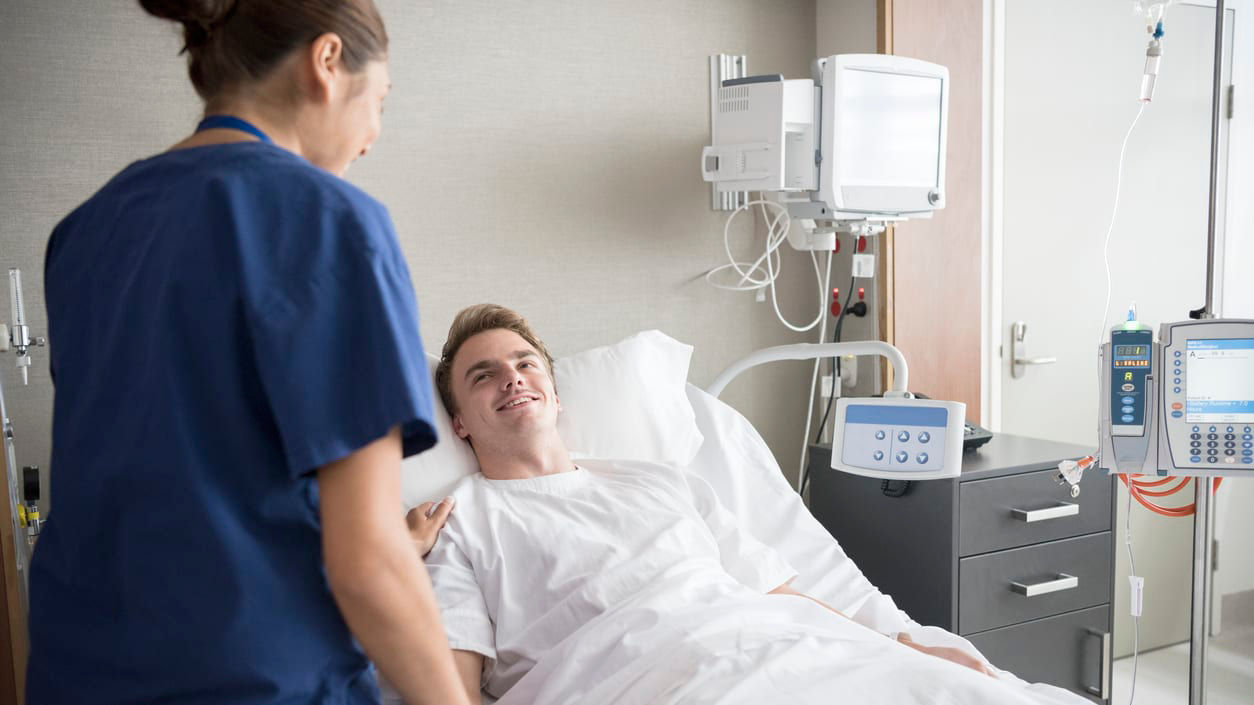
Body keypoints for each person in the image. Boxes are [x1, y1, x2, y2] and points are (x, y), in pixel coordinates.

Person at [27, 2, 468, 703]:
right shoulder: (333, 222)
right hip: (253, 677)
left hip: (75, 671)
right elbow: (369, 561)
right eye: (379, 101)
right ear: (326, 63)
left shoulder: (82, 231)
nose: (372, 136)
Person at [412, 304, 1089, 705]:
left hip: (785, 649)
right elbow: (455, 686)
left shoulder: (659, 479)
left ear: (557, 395)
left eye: (526, 363)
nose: (513, 378)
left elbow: (782, 589)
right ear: (461, 423)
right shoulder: (463, 520)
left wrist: (903, 642)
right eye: (484, 374)